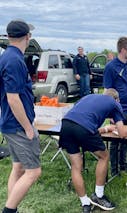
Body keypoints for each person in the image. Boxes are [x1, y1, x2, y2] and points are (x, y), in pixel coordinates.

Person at [58, 88, 127, 213]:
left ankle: (85, 203)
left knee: (76, 166)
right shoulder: (115, 104)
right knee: (104, 156)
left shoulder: (89, 97)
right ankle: (99, 195)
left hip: (66, 125)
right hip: (83, 128)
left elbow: (82, 124)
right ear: (117, 99)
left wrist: (105, 129)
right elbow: (121, 133)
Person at [0, 19, 41, 213]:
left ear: (9, 37)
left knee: (18, 168)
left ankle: (11, 207)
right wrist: (27, 127)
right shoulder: (14, 60)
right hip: (17, 125)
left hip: (9, 122)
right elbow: (13, 99)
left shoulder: (7, 56)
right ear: (27, 37)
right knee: (33, 171)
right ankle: (9, 210)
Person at [103, 36, 127, 176]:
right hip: (117, 110)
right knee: (115, 140)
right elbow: (107, 91)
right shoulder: (111, 67)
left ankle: (124, 165)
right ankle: (114, 170)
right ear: (123, 50)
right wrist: (110, 113)